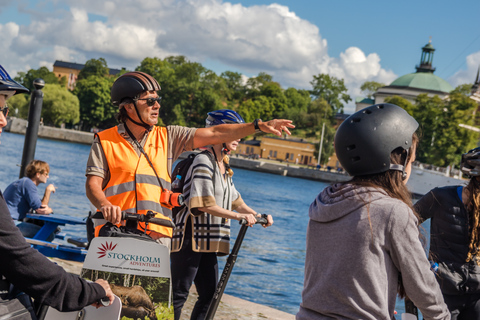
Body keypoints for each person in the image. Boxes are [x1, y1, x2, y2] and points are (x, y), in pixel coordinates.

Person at [85, 71, 293, 247]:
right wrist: (105, 204)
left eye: (158, 100)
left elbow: (214, 133)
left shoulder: (169, 136)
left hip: (156, 238)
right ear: (128, 106)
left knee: (150, 296)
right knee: (107, 294)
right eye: (149, 101)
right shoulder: (105, 140)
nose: (156, 105)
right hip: (113, 235)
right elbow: (93, 184)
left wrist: (255, 126)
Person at [297, 103, 449, 320]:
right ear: (399, 163)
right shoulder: (392, 212)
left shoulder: (324, 201)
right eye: (411, 162)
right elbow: (422, 286)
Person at [0, 64, 114, 315]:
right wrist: (89, 290)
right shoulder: (29, 184)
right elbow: (18, 258)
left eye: (5, 109)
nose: (4, 119)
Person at [170, 110, 274, 320]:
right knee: (178, 295)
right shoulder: (202, 161)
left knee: (210, 295)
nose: (239, 137)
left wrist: (258, 214)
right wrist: (240, 218)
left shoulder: (223, 165)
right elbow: (204, 204)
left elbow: (236, 200)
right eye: (234, 132)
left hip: (209, 242)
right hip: (189, 239)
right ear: (219, 134)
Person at [414, 147, 480, 319]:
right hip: (443, 292)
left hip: (476, 295)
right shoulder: (441, 197)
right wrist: (421, 264)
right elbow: (403, 227)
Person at [4, 160, 56, 239]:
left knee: (45, 232)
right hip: (9, 224)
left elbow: (39, 206)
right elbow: (41, 210)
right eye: (46, 174)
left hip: (6, 221)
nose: (48, 176)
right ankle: (28, 251)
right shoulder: (28, 184)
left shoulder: (24, 182)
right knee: (48, 235)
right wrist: (48, 191)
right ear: (38, 174)